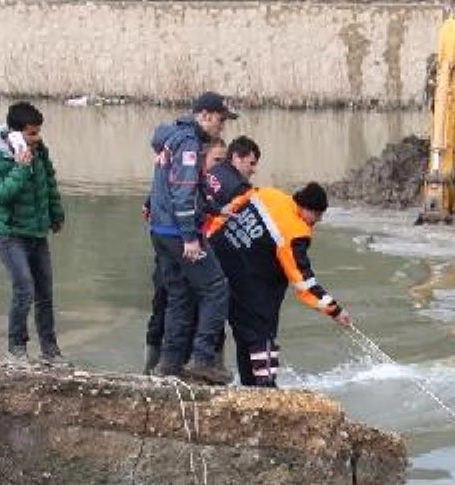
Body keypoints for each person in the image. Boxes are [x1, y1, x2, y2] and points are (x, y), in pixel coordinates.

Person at [207, 182, 350, 387]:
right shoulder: (295, 230)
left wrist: (209, 238)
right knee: (262, 334)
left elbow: (231, 208)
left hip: (220, 267)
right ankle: (266, 387)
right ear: (307, 209)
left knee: (243, 335)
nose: (317, 222)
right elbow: (302, 280)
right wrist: (334, 310)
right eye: (317, 216)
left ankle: (248, 386)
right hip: (251, 283)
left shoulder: (267, 194)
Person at [146, 91, 237, 384]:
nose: (222, 127)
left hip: (160, 230)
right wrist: (190, 237)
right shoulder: (188, 143)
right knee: (216, 287)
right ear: (205, 115)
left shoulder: (172, 138)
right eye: (221, 120)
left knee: (179, 295)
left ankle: (169, 363)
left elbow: (184, 189)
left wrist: (213, 208)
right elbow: (183, 193)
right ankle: (202, 359)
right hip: (177, 231)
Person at [0, 100, 67, 365]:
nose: (37, 138)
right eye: (31, 133)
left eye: (38, 132)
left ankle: (50, 351)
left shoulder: (39, 150)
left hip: (37, 233)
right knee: (24, 289)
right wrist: (20, 168)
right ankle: (15, 349)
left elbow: (48, 181)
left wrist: (56, 213)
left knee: (45, 293)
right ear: (15, 132)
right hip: (9, 234)